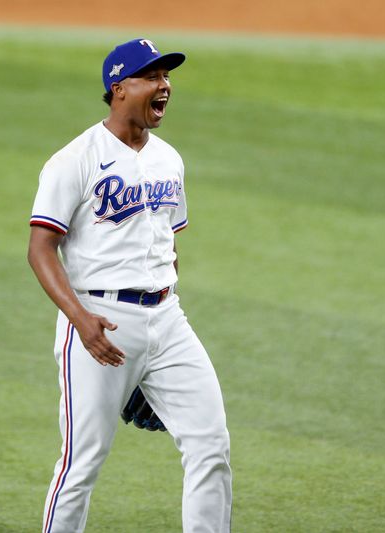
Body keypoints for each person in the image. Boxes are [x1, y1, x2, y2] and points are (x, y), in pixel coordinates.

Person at [27, 37, 232, 533]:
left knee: (211, 444)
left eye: (167, 78)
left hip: (167, 321)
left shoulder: (169, 159)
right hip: (99, 324)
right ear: (119, 89)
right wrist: (83, 323)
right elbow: (40, 249)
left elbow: (167, 245)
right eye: (152, 78)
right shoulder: (74, 160)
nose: (165, 87)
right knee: (81, 463)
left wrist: (152, 345)